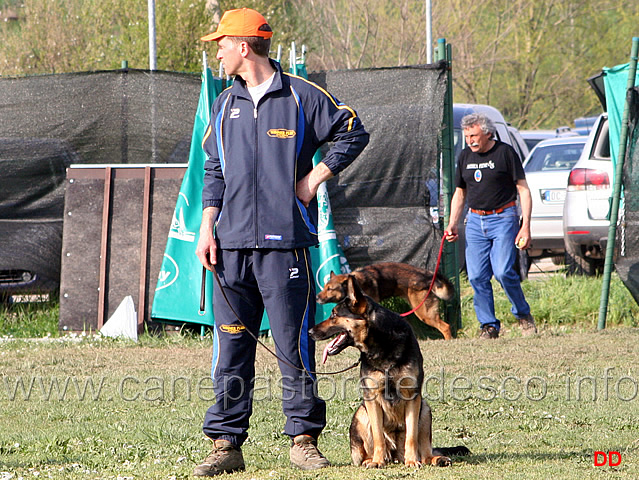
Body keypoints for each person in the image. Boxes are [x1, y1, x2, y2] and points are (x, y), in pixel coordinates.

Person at [194, 7, 369, 477]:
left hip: (284, 248)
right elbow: (214, 170)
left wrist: (312, 180)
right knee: (231, 348)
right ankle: (225, 444)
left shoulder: (301, 96)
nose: (219, 51)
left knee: (294, 346)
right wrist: (207, 226)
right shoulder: (223, 104)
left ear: (244, 46)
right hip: (229, 250)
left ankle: (304, 442)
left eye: (223, 43)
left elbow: (353, 131)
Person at [445, 113, 536, 339]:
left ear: (487, 133)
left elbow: (523, 190)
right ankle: (489, 326)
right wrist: (452, 224)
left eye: (474, 135)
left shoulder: (505, 153)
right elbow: (460, 192)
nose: (470, 141)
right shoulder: (465, 156)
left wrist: (525, 226)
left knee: (504, 271)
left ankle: (523, 315)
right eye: (467, 136)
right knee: (476, 276)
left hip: (503, 218)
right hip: (475, 221)